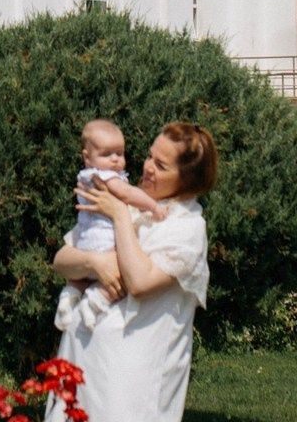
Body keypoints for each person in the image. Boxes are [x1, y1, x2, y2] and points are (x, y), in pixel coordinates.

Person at [46, 122, 217, 422]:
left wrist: (120, 216)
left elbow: (139, 282)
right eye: (150, 156)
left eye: (161, 165)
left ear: (187, 179)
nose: (148, 167)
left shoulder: (186, 227)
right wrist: (95, 263)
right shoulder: (129, 199)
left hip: (129, 381)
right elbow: (62, 259)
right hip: (81, 358)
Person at [54, 118, 167, 331]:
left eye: (119, 153)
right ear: (87, 158)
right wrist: (152, 206)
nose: (115, 160)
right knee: (124, 270)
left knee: (79, 280)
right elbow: (128, 193)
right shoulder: (105, 178)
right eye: (107, 154)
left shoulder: (87, 177)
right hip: (105, 242)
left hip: (84, 241)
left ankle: (68, 298)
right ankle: (96, 302)